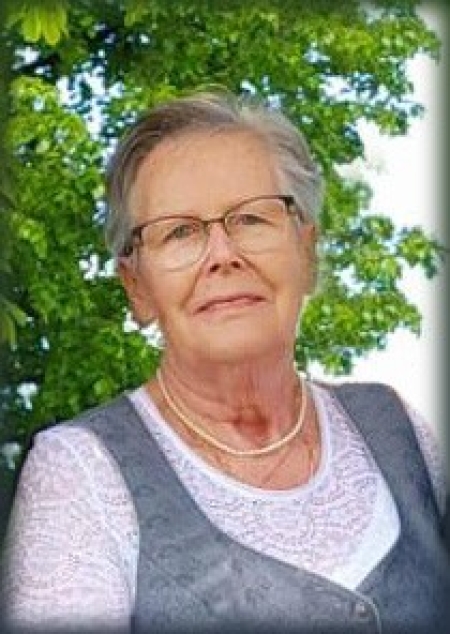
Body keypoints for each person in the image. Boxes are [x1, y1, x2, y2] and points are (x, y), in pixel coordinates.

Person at [2, 91, 449, 634]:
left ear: (307, 252)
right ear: (136, 286)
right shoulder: (80, 475)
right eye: (179, 231)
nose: (222, 255)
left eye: (252, 218)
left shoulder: (400, 430)